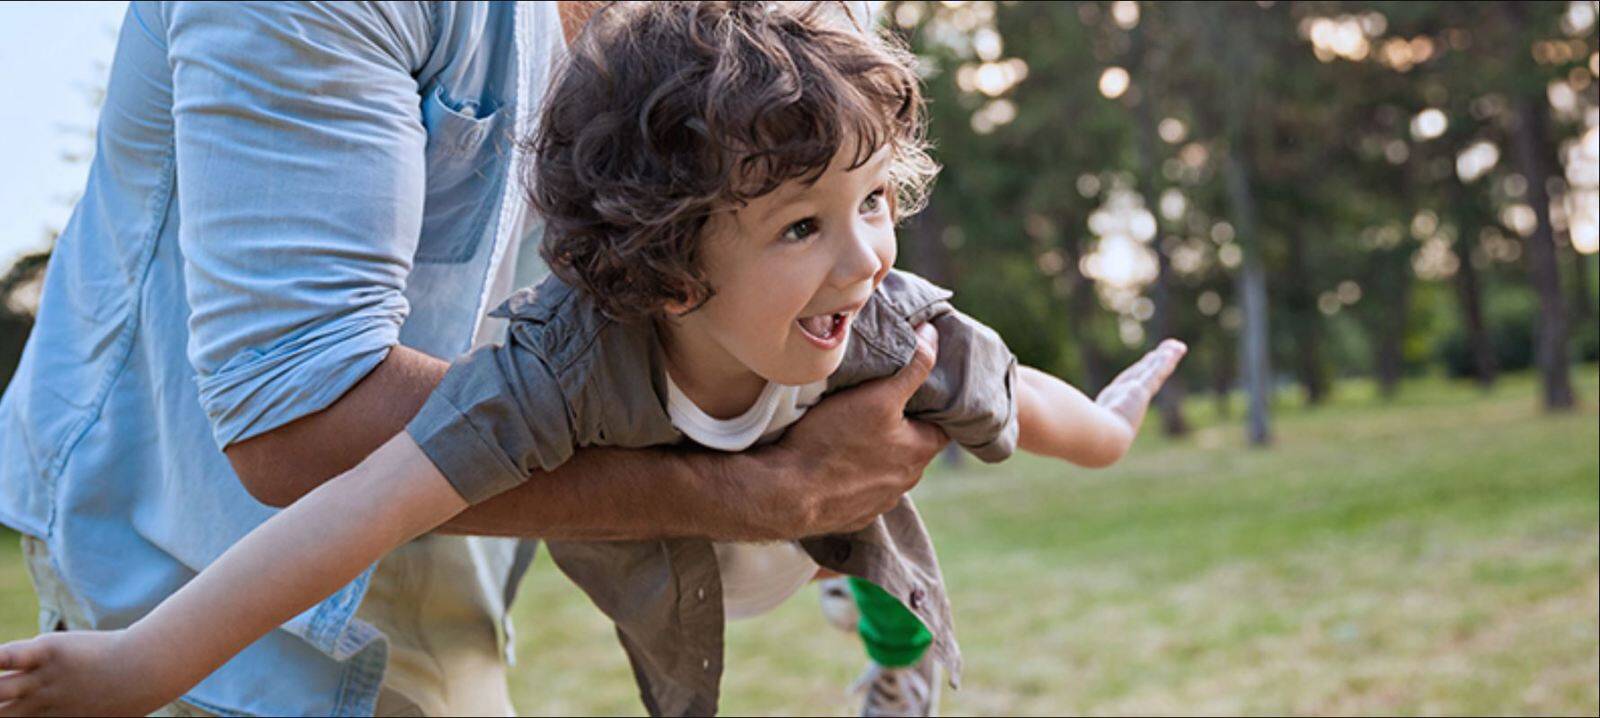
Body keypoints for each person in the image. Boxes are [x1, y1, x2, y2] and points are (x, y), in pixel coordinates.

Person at [0, 3, 1188, 716]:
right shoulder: (557, 377)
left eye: (876, 204)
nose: (869, 256)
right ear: (670, 267)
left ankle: (891, 656)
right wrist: (133, 667)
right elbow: (322, 461)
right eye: (808, 223)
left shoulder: (874, 305)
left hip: (517, 470)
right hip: (195, 501)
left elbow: (1003, 386)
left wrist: (1109, 432)